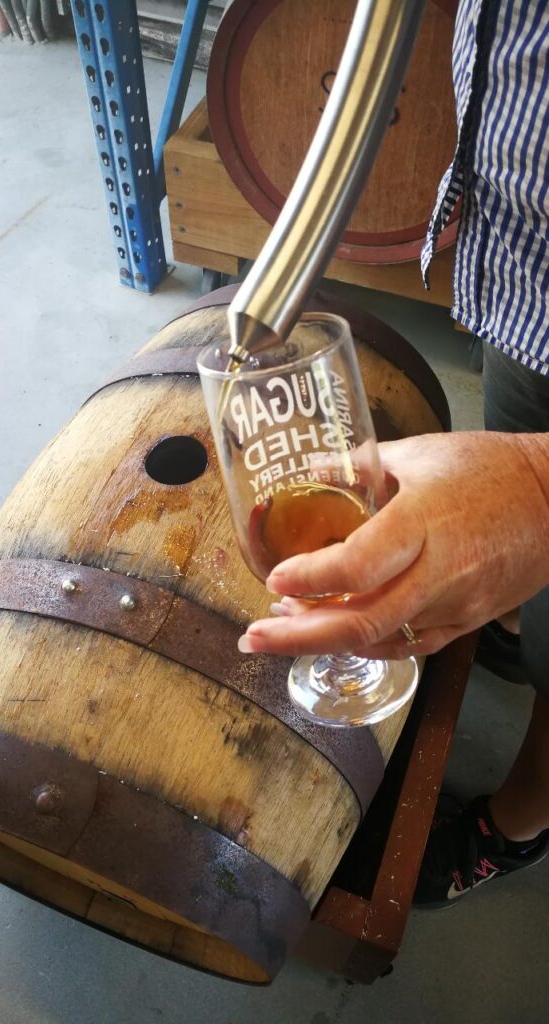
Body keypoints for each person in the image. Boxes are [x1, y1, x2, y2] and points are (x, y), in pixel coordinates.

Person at [237, 0, 549, 907]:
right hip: (525, 265)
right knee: (510, 428)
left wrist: (536, 485)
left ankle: (524, 820)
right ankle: (514, 621)